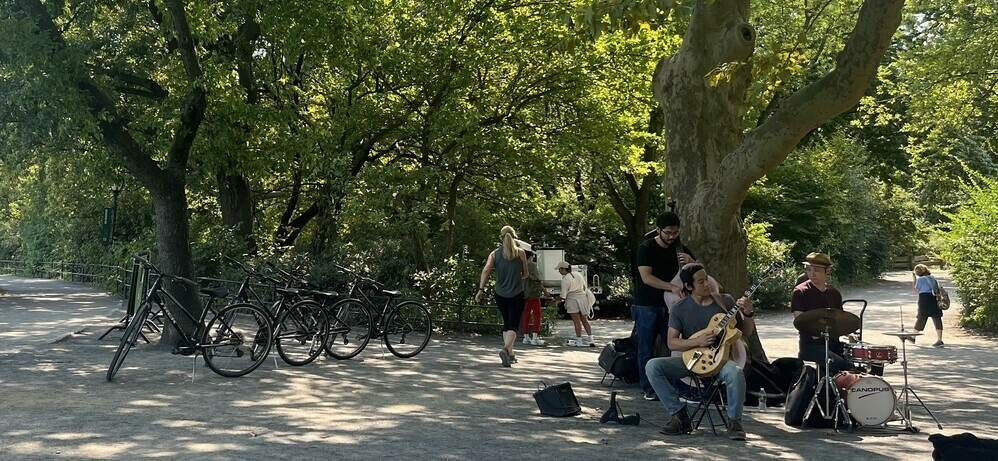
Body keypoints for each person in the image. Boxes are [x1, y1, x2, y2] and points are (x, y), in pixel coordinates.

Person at [645, 263, 753, 441]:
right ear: (688, 287)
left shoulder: (725, 301)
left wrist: (748, 313)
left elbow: (746, 332)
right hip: (691, 360)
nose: (707, 284)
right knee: (653, 366)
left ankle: (734, 422)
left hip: (720, 361)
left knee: (735, 372)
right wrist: (697, 341)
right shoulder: (679, 309)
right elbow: (672, 342)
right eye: (701, 282)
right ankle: (679, 416)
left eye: (706, 279)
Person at [631, 211, 709, 401]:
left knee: (674, 346)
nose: (672, 237)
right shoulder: (646, 248)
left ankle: (678, 385)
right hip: (648, 304)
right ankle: (649, 388)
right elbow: (646, 278)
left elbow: (700, 273)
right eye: (667, 233)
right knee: (646, 347)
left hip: (673, 307)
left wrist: (693, 262)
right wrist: (672, 287)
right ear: (658, 230)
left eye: (675, 233)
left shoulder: (681, 248)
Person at [475, 226, 528, 367]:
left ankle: (510, 354)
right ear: (514, 236)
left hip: (500, 293)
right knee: (513, 325)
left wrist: (481, 289)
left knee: (506, 323)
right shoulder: (521, 253)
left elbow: (486, 270)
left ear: (501, 237)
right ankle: (505, 350)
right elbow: (526, 274)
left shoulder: (494, 254)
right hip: (516, 293)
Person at [791, 252, 848, 375]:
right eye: (809, 270)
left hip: (833, 343)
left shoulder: (834, 293)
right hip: (811, 345)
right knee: (839, 363)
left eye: (816, 270)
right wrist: (816, 333)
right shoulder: (800, 292)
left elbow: (841, 320)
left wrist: (851, 335)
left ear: (827, 271)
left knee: (858, 361)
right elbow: (800, 321)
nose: (812, 274)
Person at [552, 261, 596, 347]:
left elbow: (563, 296)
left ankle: (579, 340)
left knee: (577, 322)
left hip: (572, 300)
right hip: (583, 298)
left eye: (559, 269)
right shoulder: (578, 274)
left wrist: (556, 299)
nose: (559, 271)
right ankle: (591, 339)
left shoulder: (565, 280)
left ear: (563, 269)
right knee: (584, 320)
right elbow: (584, 286)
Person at [521, 249, 550, 346]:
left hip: (524, 294)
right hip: (533, 294)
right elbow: (537, 281)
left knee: (526, 315)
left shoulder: (520, 266)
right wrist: (545, 291)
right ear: (530, 257)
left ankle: (526, 337)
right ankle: (534, 337)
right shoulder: (532, 266)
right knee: (537, 315)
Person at [911, 264, 944, 347]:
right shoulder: (932, 278)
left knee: (921, 317)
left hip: (924, 299)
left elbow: (916, 290)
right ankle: (939, 340)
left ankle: (913, 337)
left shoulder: (920, 279)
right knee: (937, 318)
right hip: (933, 298)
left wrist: (914, 280)